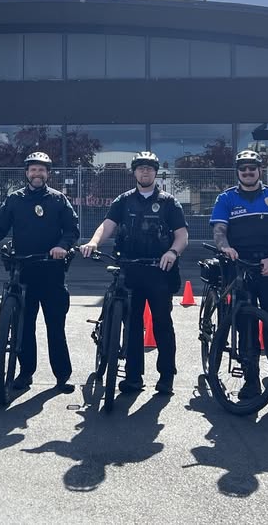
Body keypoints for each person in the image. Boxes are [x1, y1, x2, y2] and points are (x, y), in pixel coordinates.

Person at [80, 151, 188, 395]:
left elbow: (182, 235)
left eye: (150, 168)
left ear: (156, 172)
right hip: (129, 270)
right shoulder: (124, 200)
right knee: (132, 325)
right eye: (141, 168)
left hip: (159, 271)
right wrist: (94, 242)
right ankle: (133, 378)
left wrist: (172, 252)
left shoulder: (170, 202)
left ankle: (167, 376)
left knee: (162, 324)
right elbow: (107, 226)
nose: (145, 171)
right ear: (134, 172)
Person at [0, 151, 80, 394]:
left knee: (55, 325)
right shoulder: (15, 199)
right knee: (24, 325)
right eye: (33, 169)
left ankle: (62, 376)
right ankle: (25, 373)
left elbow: (72, 230)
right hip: (23, 271)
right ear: (26, 173)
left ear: (48, 174)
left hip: (52, 271)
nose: (37, 173)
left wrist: (62, 247)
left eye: (42, 170)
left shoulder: (58, 200)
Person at [209, 149, 268, 405]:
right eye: (243, 169)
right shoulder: (226, 198)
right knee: (245, 326)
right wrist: (225, 247)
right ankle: (251, 381)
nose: (248, 172)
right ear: (238, 172)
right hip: (239, 266)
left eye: (253, 168)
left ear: (260, 170)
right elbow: (219, 230)